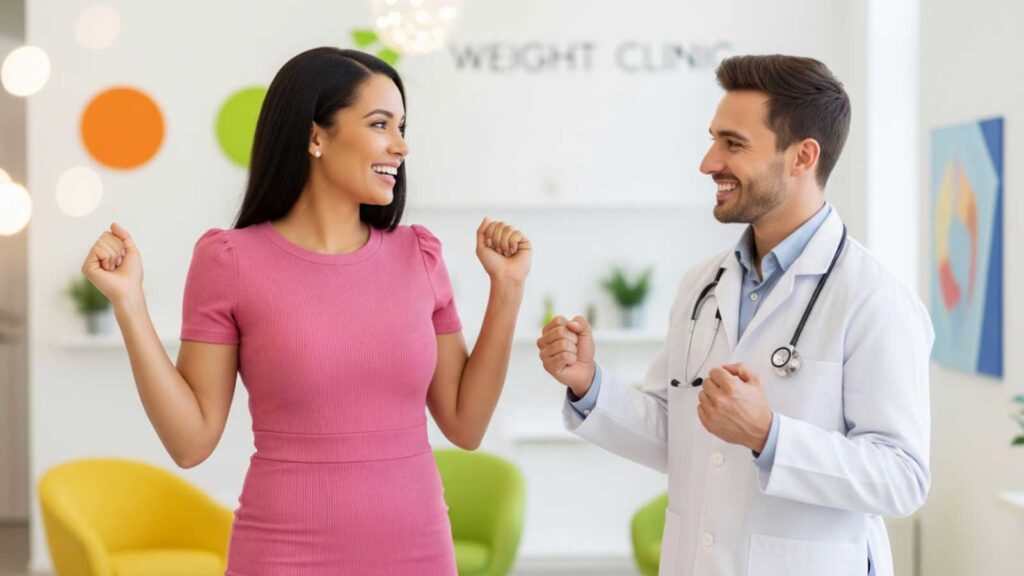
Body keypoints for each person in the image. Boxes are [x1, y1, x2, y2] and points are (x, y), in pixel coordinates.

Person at [82, 47, 531, 575]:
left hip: (418, 551)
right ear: (316, 135)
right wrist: (130, 303)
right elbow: (191, 441)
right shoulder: (230, 260)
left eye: (403, 126)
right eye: (380, 124)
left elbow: (466, 424)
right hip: (283, 555)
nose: (401, 145)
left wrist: (507, 291)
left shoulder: (420, 255)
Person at [537, 54, 932, 576]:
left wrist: (769, 435)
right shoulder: (703, 286)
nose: (708, 163)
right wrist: (589, 385)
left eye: (733, 144)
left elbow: (902, 479)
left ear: (802, 157)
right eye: (713, 139)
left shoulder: (873, 298)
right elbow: (678, 433)